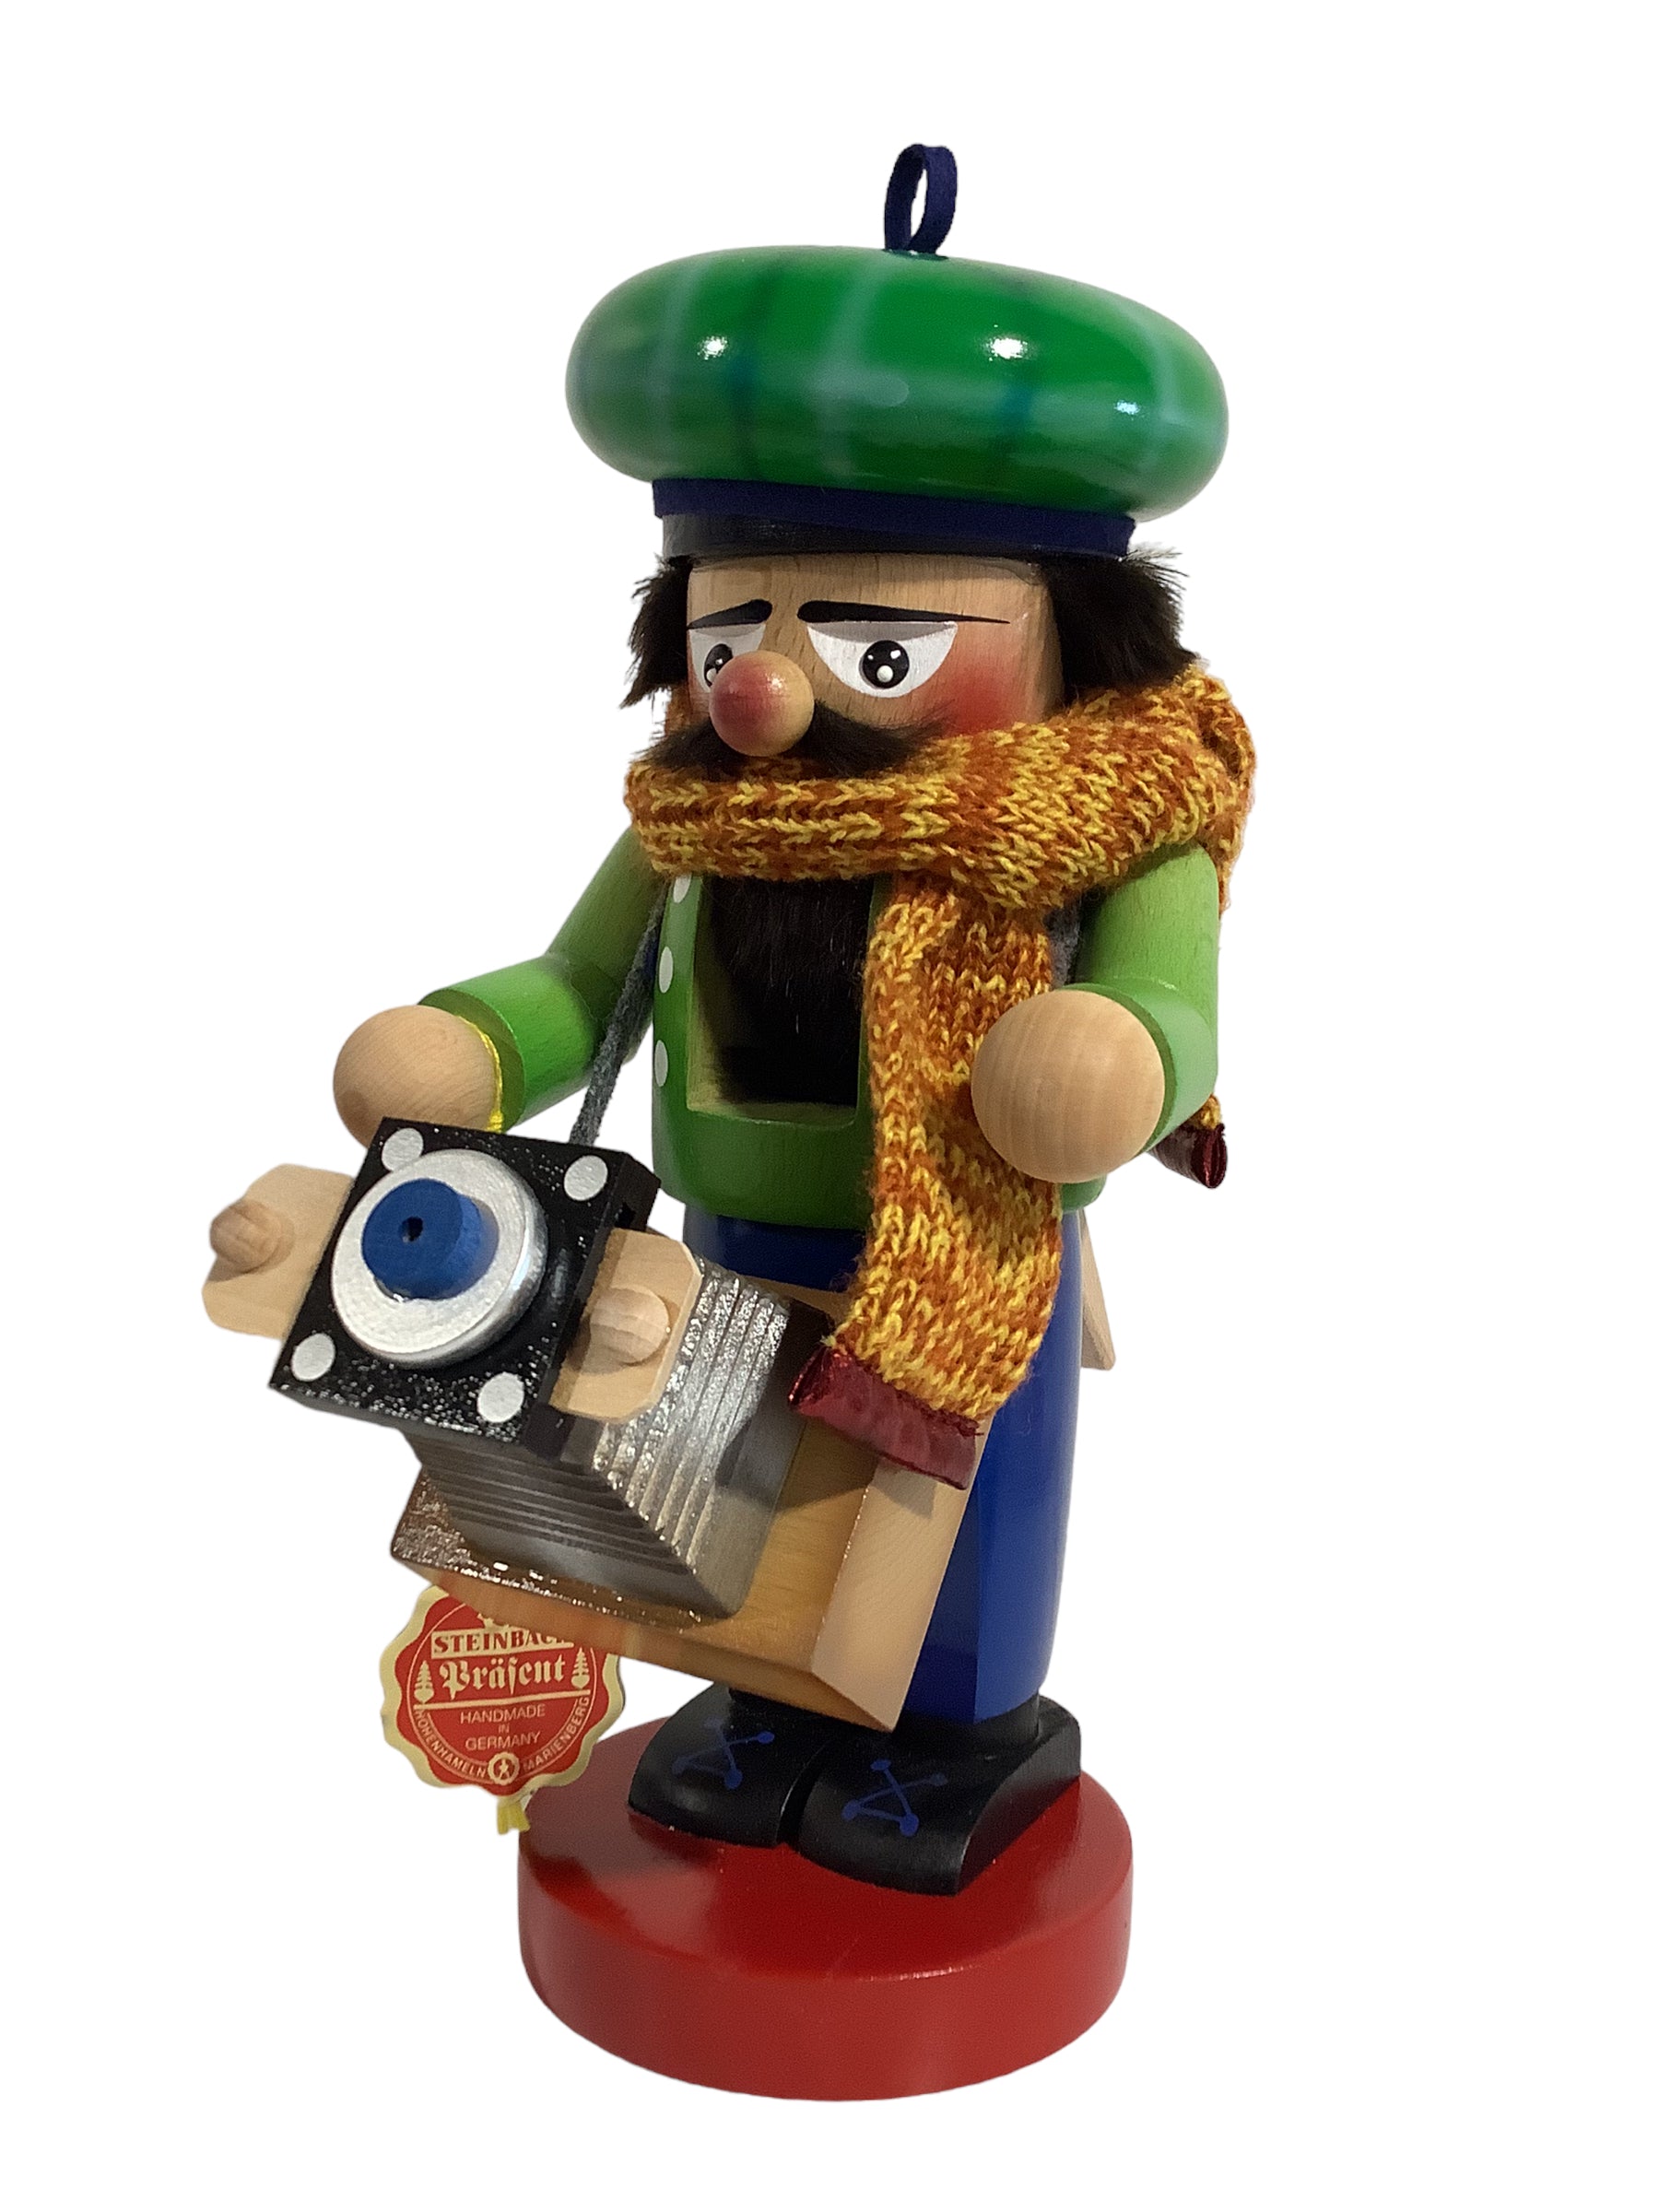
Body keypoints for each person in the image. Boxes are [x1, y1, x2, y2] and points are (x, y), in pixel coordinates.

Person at [329, 148, 1253, 1891]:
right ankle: (770, 1703)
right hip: (728, 1240)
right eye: (729, 632)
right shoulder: (690, 819)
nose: (766, 688)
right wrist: (468, 1046)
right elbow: (581, 985)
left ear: (1076, 638)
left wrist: (1110, 1058)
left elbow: (1168, 1009)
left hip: (973, 1250)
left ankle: (962, 1729)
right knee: (721, 1488)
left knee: (954, 1504)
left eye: (878, 648)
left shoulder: (1118, 826)